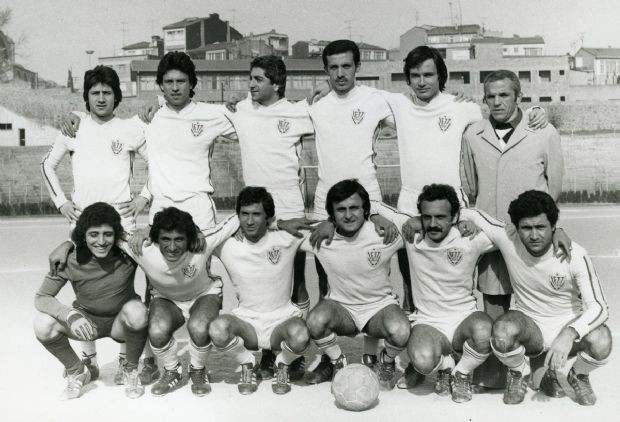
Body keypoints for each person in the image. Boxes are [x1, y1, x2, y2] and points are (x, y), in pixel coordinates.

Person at [50, 207, 241, 397]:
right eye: (165, 239)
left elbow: (234, 219)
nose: (172, 247)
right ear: (155, 238)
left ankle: (197, 369)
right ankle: (172, 370)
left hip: (203, 294)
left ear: (189, 238)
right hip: (166, 298)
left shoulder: (203, 241)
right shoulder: (142, 248)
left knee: (199, 327)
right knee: (156, 329)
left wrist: (264, 222)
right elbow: (101, 229)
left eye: (179, 239)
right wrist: (68, 244)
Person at [41, 65, 154, 385]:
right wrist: (61, 202)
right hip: (85, 224)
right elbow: (47, 164)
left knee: (135, 285)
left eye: (107, 92)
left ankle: (138, 358)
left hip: (123, 223)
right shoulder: (74, 127)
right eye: (95, 93)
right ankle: (88, 359)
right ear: (87, 97)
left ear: (116, 96)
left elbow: (158, 163)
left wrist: (144, 196)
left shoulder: (130, 128)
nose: (101, 98)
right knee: (87, 286)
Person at [460, 69, 564, 388]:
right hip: (492, 238)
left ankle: (541, 369)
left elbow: (553, 188)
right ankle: (496, 371)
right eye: (490, 96)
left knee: (537, 303)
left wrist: (548, 227)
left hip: (529, 237)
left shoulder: (544, 132)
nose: (497, 102)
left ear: (519, 96)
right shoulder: (473, 134)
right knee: (494, 301)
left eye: (504, 95)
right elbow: (469, 186)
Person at [460, 191, 611, 405]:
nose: (533, 236)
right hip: (531, 326)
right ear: (516, 227)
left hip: (567, 323)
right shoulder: (508, 237)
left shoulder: (575, 254)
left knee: (602, 340)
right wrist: (461, 222)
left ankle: (578, 374)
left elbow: (599, 307)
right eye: (526, 228)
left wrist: (569, 334)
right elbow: (470, 212)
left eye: (541, 227)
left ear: (553, 226)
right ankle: (519, 372)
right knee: (501, 332)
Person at [374, 184, 495, 403]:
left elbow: (510, 234)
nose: (432, 224)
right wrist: (378, 218)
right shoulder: (411, 234)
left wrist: (468, 218)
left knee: (485, 332)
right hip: (428, 321)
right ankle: (444, 367)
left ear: (454, 217)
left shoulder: (470, 237)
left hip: (463, 319)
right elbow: (373, 205)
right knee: (422, 360)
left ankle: (460, 374)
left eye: (440, 217)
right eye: (426, 217)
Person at [35, 202, 148, 399]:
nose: (101, 241)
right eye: (94, 234)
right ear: (83, 235)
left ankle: (130, 369)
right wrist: (69, 315)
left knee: (137, 310)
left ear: (116, 234)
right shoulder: (70, 259)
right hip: (87, 323)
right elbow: (42, 297)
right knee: (42, 324)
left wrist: (146, 231)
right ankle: (77, 370)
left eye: (108, 234)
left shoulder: (128, 254)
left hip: (121, 323)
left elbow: (158, 244)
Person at [302, 179, 409, 390]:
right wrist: (278, 224)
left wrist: (378, 215)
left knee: (402, 330)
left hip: (378, 308)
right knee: (314, 321)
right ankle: (338, 361)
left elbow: (416, 224)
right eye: (341, 209)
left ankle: (386, 362)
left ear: (365, 210)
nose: (348, 215)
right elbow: (280, 232)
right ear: (331, 214)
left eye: (354, 208)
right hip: (342, 309)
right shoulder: (321, 236)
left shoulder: (384, 233)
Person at [208, 187, 310, 395]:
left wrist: (280, 224)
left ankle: (282, 364)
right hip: (248, 324)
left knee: (301, 335)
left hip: (281, 323)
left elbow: (324, 230)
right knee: (218, 329)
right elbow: (194, 238)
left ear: (268, 218)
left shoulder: (286, 237)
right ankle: (248, 363)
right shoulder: (227, 244)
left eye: (256, 214)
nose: (249, 221)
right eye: (244, 214)